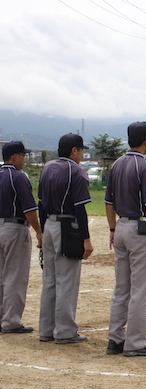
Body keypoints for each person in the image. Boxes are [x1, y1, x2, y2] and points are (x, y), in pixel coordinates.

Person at [104, 121, 146, 357]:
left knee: (122, 288)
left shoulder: (117, 164)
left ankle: (115, 339)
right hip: (140, 229)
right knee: (141, 289)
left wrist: (112, 229)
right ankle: (135, 343)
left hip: (120, 226)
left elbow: (108, 202)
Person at [38, 134, 93, 344]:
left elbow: (41, 203)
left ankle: (46, 329)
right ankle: (65, 332)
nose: (81, 154)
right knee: (67, 281)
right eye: (80, 150)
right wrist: (86, 238)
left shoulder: (48, 168)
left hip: (50, 224)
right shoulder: (76, 171)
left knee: (49, 281)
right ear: (74, 151)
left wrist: (42, 232)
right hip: (68, 226)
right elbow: (80, 209)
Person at [0, 141, 42, 334]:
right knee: (14, 276)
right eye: (23, 155)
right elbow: (29, 210)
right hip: (14, 228)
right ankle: (10, 321)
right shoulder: (18, 177)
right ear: (15, 156)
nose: (24, 158)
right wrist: (39, 232)